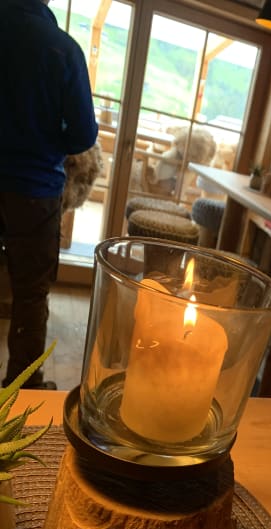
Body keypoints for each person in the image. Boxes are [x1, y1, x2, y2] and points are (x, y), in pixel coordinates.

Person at [0, 0, 98, 389]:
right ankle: (21, 390)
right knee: (30, 295)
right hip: (33, 189)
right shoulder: (62, 49)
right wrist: (45, 139)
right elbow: (83, 135)